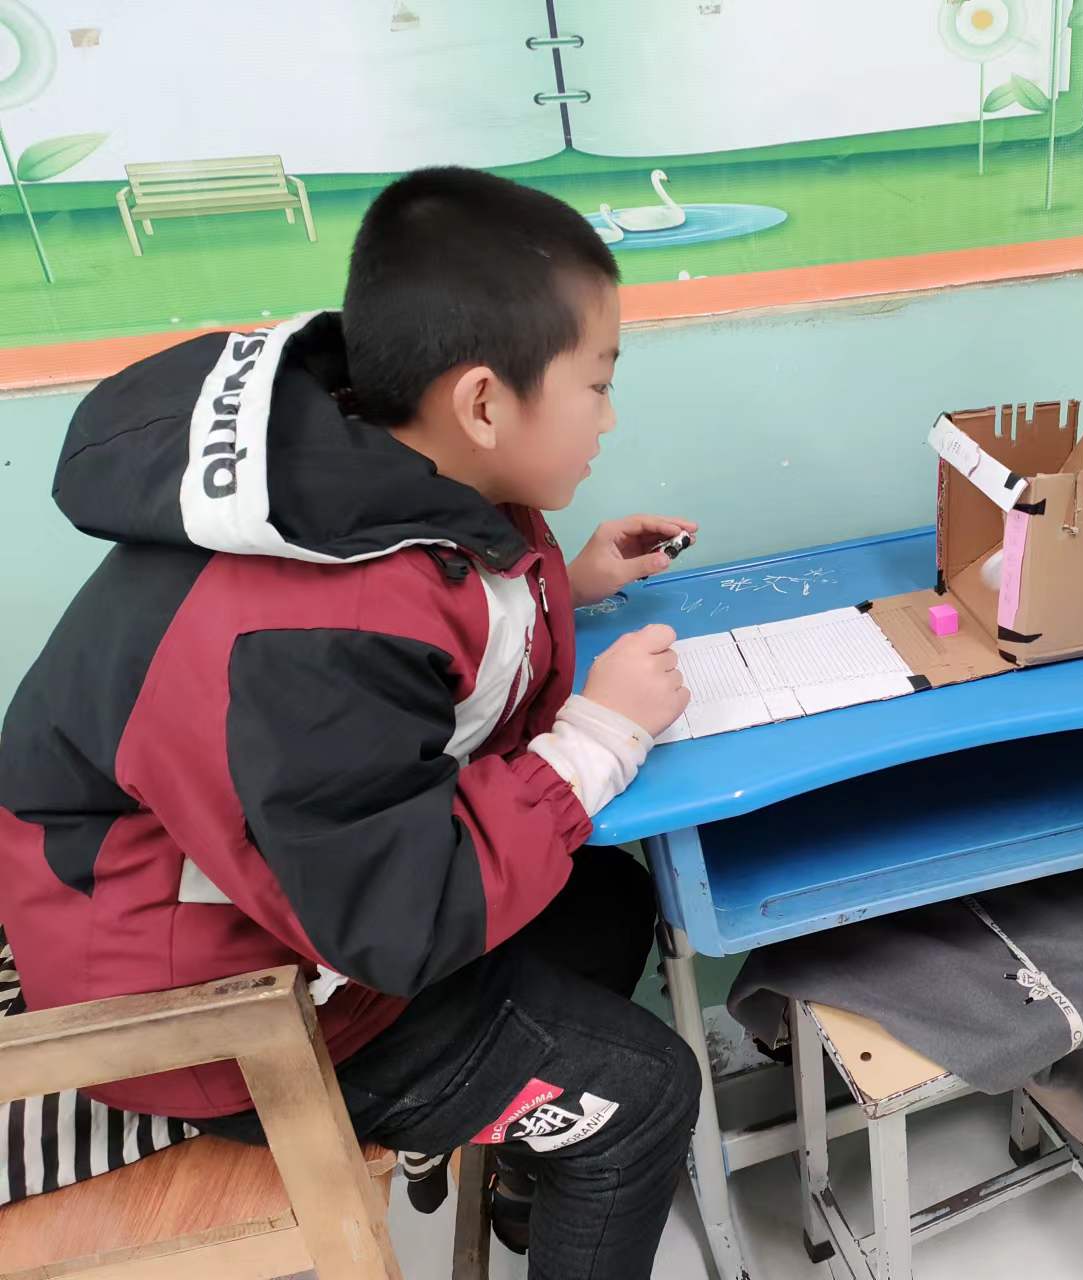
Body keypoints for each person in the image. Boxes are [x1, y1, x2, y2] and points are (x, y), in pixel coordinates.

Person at [0, 167, 703, 1279]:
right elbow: (396, 917)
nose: (608, 418)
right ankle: (562, 1148)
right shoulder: (308, 633)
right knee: (647, 1091)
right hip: (208, 1009)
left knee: (607, 897)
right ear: (484, 403)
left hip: (288, 910)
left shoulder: (373, 477)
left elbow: (425, 653)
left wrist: (565, 584)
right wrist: (599, 739)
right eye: (598, 384)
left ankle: (527, 1162)